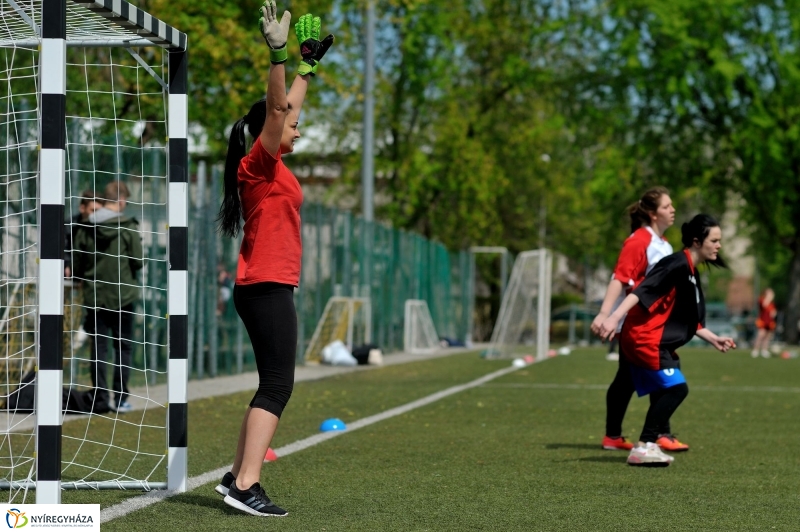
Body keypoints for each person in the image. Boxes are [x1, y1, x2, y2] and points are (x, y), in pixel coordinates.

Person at [212, 1, 334, 517]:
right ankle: (246, 484)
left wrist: (307, 66)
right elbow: (278, 106)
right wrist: (279, 55)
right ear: (269, 127)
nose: (297, 126)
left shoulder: (274, 162)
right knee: (279, 386)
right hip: (264, 285)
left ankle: (235, 475)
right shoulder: (257, 164)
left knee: (272, 383)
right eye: (289, 121)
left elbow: (288, 108)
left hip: (266, 285)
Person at [598, 214, 736, 466]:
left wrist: (713, 338)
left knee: (648, 383)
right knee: (675, 388)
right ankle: (645, 445)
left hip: (652, 340)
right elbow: (642, 290)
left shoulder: (690, 271)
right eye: (714, 240)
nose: (718, 246)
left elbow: (687, 318)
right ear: (696, 241)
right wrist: (612, 316)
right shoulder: (675, 263)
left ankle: (628, 438)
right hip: (645, 339)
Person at [590, 187, 684, 452]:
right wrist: (604, 314)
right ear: (653, 214)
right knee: (661, 374)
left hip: (656, 324)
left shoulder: (664, 245)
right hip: (637, 325)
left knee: (629, 379)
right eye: (667, 206)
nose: (672, 210)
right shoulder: (638, 241)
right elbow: (620, 278)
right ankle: (655, 434)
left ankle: (617, 436)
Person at [72, 181, 143, 413]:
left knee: (99, 348)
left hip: (96, 296)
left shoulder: (85, 227)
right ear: (121, 200)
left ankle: (101, 399)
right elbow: (138, 261)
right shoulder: (128, 226)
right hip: (123, 296)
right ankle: (121, 398)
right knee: (123, 348)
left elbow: (78, 262)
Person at [752, 288, 777, 358]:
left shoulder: (772, 304)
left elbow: (773, 312)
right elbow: (763, 305)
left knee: (767, 336)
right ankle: (755, 350)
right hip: (763, 321)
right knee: (760, 335)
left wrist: (774, 313)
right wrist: (768, 298)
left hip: (769, 322)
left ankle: (764, 350)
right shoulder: (762, 299)